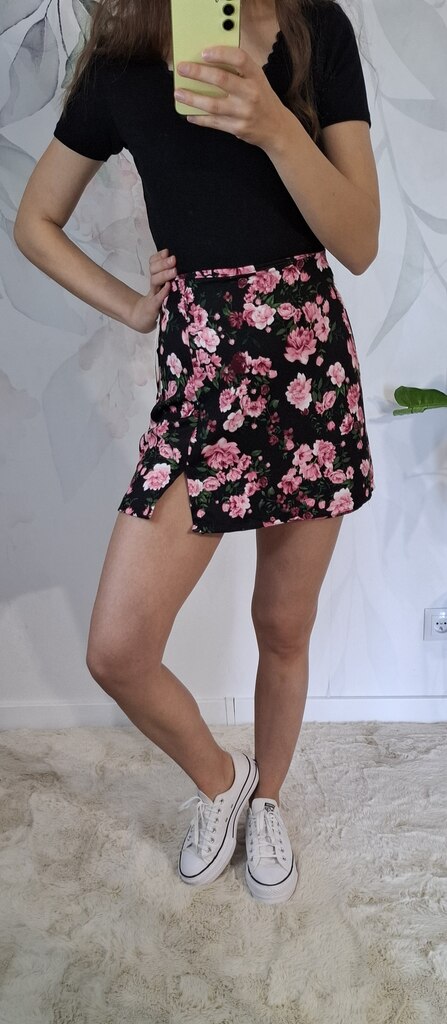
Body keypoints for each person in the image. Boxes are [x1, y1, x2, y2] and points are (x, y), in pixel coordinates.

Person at [13, 0, 380, 904]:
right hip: (202, 380)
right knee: (118, 648)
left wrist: (274, 126)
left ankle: (271, 801)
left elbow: (360, 241)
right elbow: (35, 221)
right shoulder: (124, 57)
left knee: (282, 625)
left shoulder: (313, 27)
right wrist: (134, 308)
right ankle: (226, 781)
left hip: (306, 367)